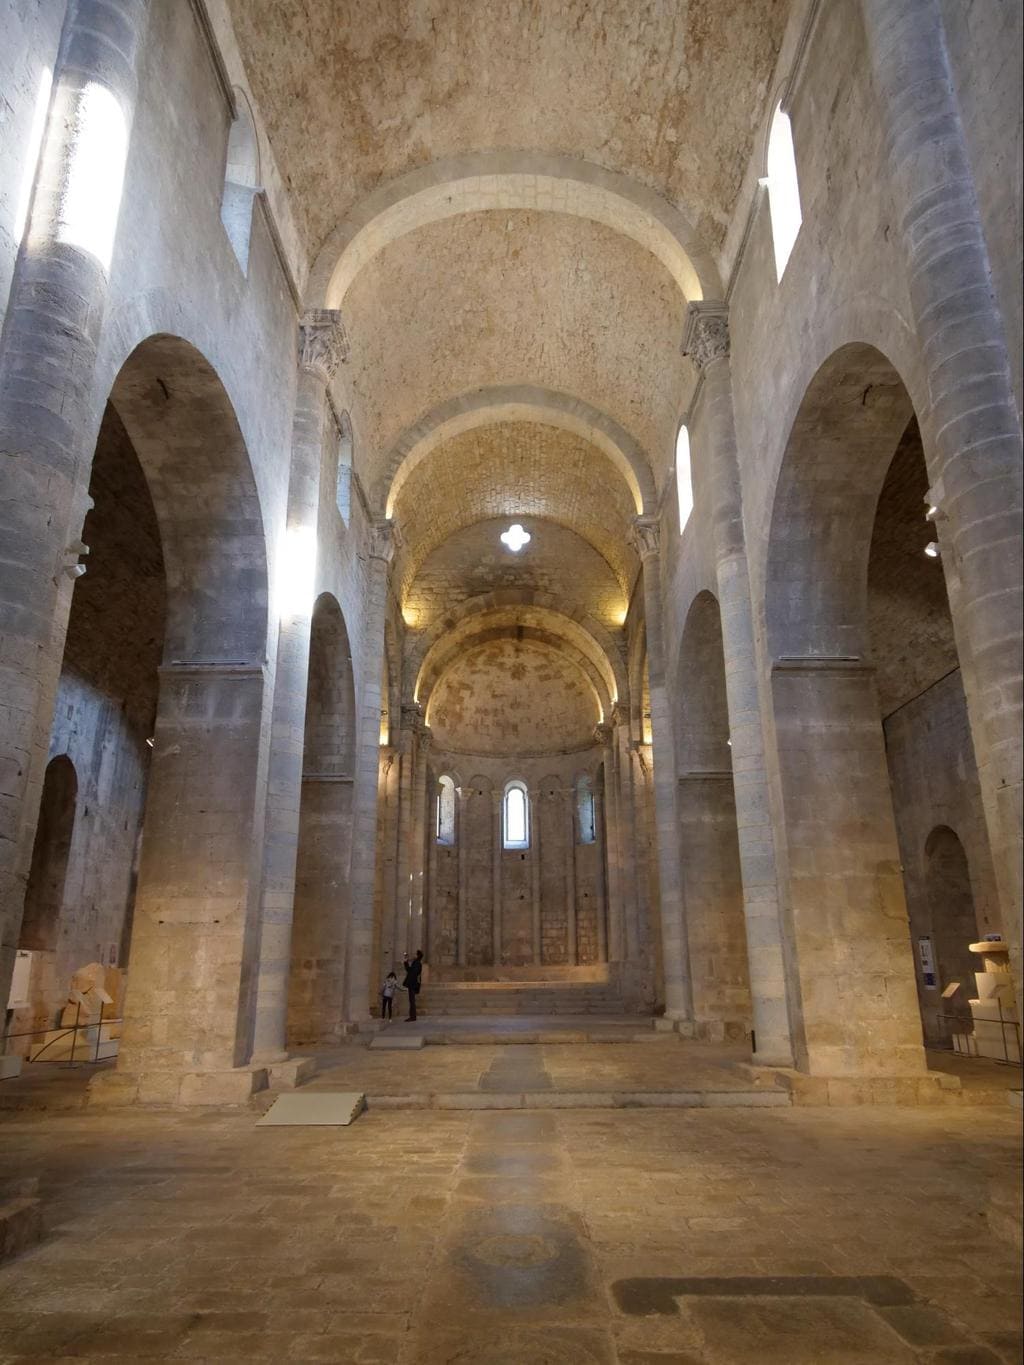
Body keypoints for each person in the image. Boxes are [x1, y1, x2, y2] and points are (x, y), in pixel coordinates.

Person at [403, 950, 424, 1021]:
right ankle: (412, 1016)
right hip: (412, 984)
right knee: (411, 1000)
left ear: (417, 956)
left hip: (413, 984)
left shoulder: (417, 963)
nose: (413, 955)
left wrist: (409, 983)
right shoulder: (416, 963)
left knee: (412, 1001)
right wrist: (406, 962)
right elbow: (409, 970)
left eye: (415, 954)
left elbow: (413, 973)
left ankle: (413, 1017)